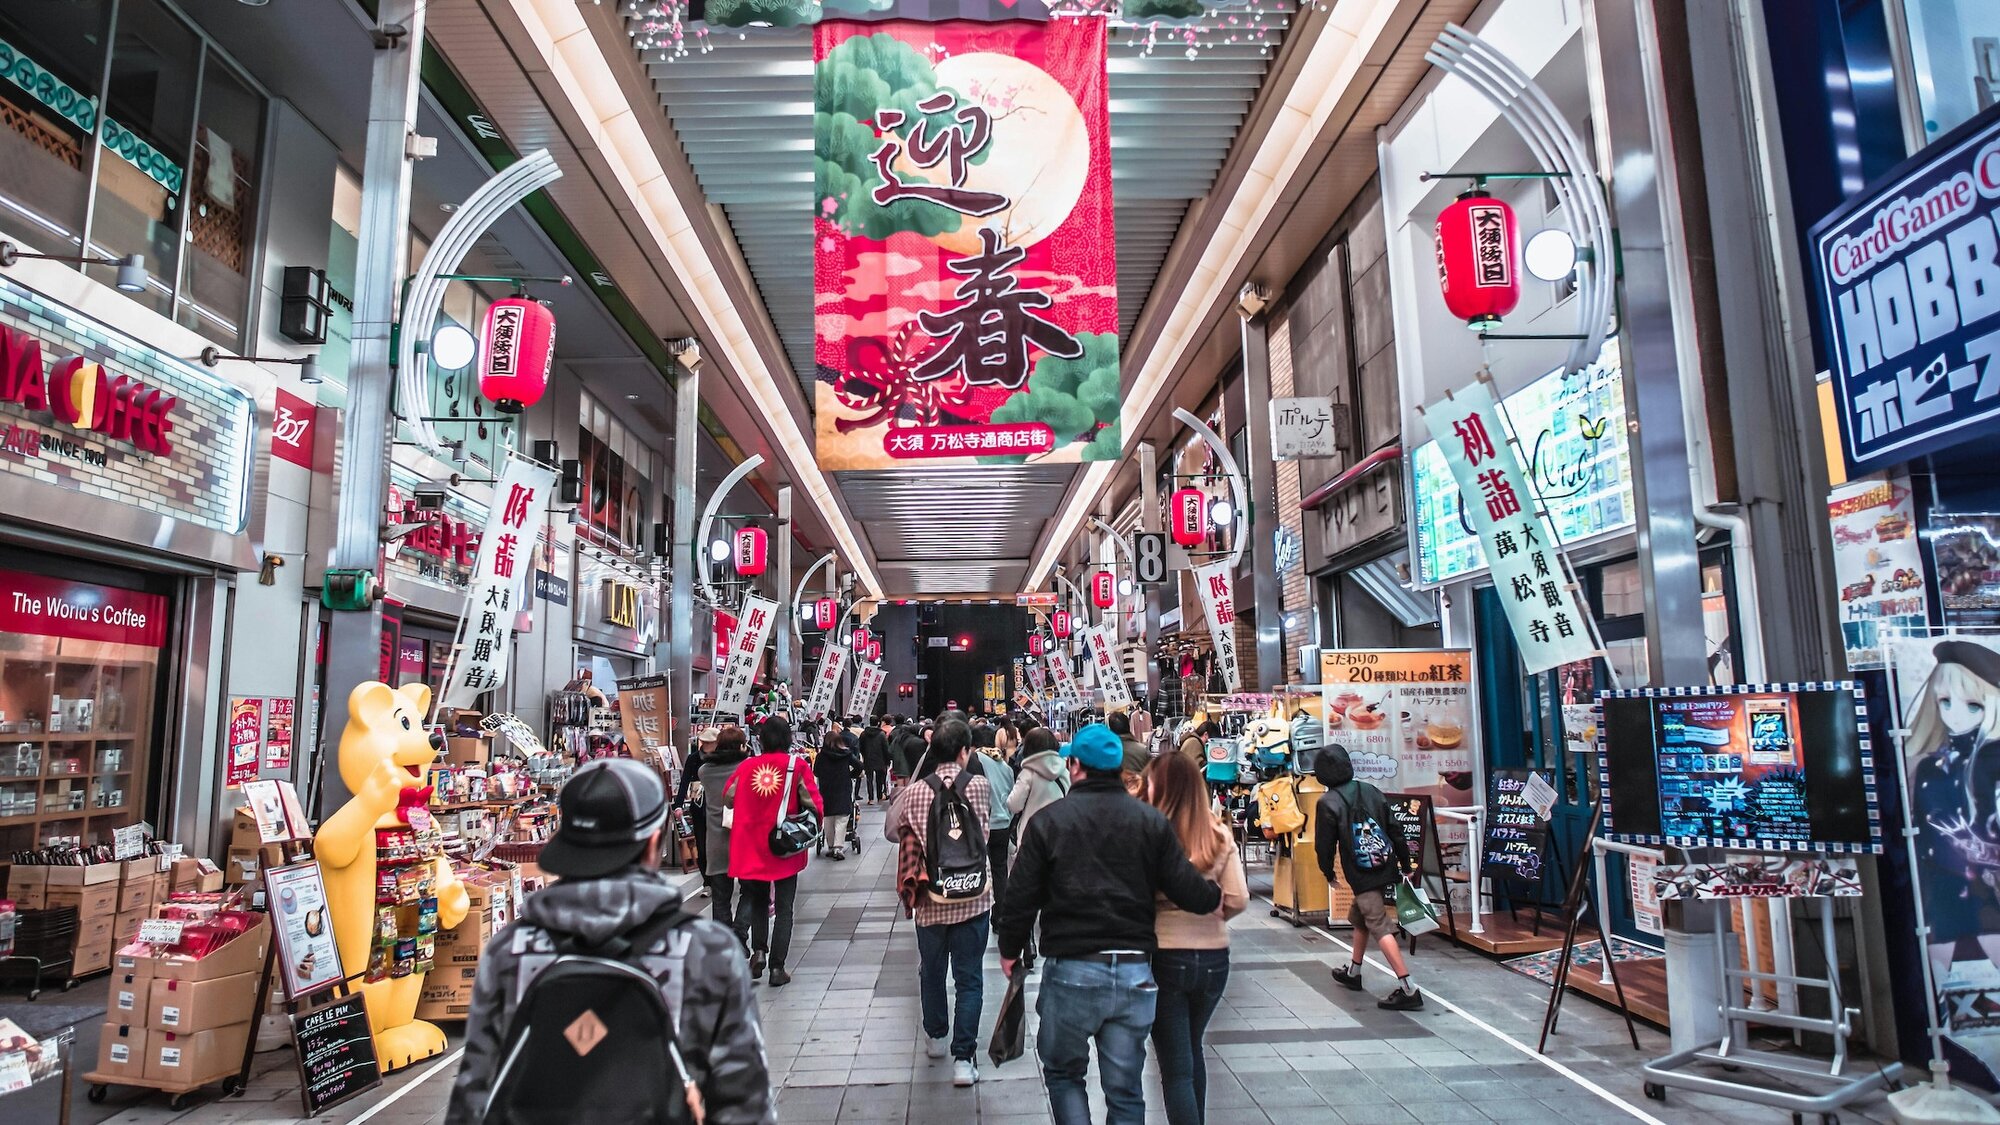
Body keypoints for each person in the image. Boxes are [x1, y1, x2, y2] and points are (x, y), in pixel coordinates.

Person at [445, 759, 772, 1125]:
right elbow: (746, 1103)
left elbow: (474, 1098)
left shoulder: (510, 951)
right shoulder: (707, 951)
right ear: (653, 842)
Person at [998, 724, 1222, 1125]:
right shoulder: (1149, 822)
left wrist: (1010, 950)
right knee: (1125, 1090)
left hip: (1071, 968)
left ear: (1075, 766)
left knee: (1065, 1075)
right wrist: (1213, 893)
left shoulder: (1049, 822)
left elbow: (1020, 896)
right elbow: (1187, 888)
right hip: (1133, 970)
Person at [1143, 753, 1248, 1125]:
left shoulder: (1152, 834)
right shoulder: (1218, 832)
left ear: (1162, 788)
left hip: (1166, 957)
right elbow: (1238, 898)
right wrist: (1214, 915)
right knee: (1192, 1048)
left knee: (1176, 1068)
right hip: (1215, 958)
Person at [899, 719, 994, 1087]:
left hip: (932, 901)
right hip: (974, 897)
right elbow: (985, 830)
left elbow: (898, 830)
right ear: (964, 752)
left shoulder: (916, 793)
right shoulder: (980, 786)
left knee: (932, 971)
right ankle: (964, 1060)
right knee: (969, 979)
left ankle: (936, 1035)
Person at [1907, 640, 2000, 979]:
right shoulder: (1929, 766)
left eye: (1973, 705)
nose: (1954, 714)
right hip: (1939, 886)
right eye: (1944, 702)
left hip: (1989, 886)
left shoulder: (1994, 759)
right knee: (1940, 978)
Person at [1312, 744, 1422, 1010]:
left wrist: (1328, 872)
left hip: (1362, 873)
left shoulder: (1328, 802)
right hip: (1386, 863)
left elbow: (1324, 845)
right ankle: (1354, 971)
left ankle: (1409, 989)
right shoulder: (1371, 790)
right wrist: (1406, 863)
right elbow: (1395, 829)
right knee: (1359, 917)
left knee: (1378, 923)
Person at [726, 715, 823, 987]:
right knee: (784, 908)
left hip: (751, 845)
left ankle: (759, 951)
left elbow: (728, 798)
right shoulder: (796, 766)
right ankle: (778, 968)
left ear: (761, 739)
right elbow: (814, 804)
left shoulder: (746, 766)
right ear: (788, 739)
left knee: (759, 902)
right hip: (783, 846)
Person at [699, 725, 753, 946]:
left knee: (720, 898)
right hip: (744, 839)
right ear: (741, 746)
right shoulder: (748, 768)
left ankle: (725, 945)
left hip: (716, 841)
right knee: (750, 891)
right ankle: (740, 933)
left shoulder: (705, 771)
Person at [971, 725, 1018, 914]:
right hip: (1003, 823)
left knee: (980, 867)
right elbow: (1012, 794)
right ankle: (1000, 916)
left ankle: (981, 911)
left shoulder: (974, 760)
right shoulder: (1005, 765)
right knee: (1000, 870)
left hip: (982, 824)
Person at [1007, 726, 1070, 841]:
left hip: (1032, 834)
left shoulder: (1028, 773)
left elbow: (1014, 805)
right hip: (1060, 831)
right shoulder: (1064, 771)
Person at [814, 729, 861, 860]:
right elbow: (859, 766)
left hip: (826, 789)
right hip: (843, 788)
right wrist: (850, 775)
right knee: (842, 818)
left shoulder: (821, 756)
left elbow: (816, 772)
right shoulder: (846, 754)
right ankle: (838, 848)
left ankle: (830, 846)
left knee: (828, 818)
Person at [860, 715, 892, 804]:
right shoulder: (881, 734)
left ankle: (871, 798)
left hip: (868, 758)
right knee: (879, 779)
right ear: (878, 723)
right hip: (880, 759)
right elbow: (885, 748)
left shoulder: (864, 734)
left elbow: (861, 747)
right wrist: (887, 759)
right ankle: (879, 796)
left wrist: (864, 754)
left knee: (869, 779)